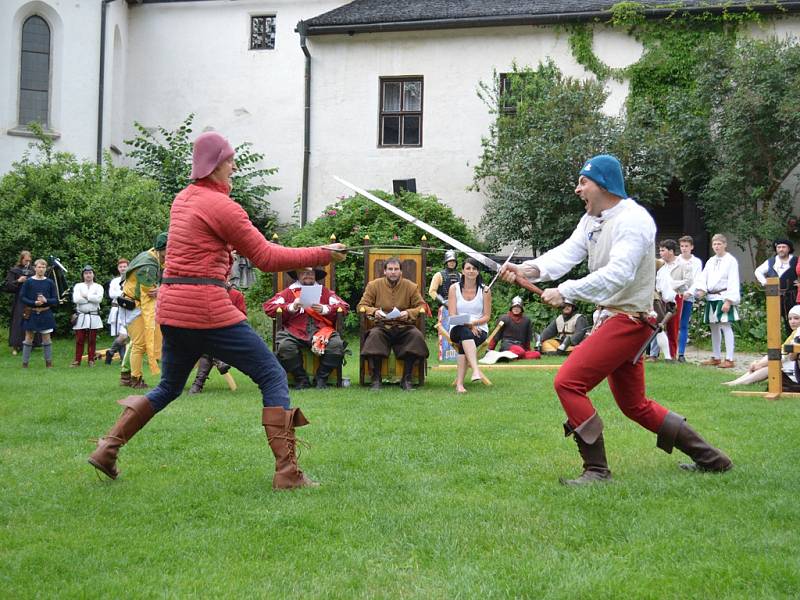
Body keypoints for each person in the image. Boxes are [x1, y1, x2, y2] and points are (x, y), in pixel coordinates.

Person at [88, 131, 346, 490]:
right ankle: (287, 473)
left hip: (173, 310)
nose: (234, 166)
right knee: (272, 375)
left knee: (167, 387)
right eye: (229, 160)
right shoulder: (222, 206)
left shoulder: (184, 199)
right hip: (205, 309)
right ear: (214, 165)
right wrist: (321, 253)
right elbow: (267, 257)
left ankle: (108, 447)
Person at [500, 154, 732, 485]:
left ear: (604, 184)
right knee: (634, 405)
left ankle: (596, 470)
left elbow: (618, 275)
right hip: (616, 318)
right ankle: (713, 460)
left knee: (567, 382)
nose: (577, 189)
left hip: (630, 320)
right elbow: (565, 254)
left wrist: (566, 291)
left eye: (583, 182)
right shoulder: (592, 220)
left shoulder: (633, 221)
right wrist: (526, 270)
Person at [263, 266, 349, 390]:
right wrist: (290, 307)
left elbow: (344, 307)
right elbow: (268, 307)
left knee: (336, 345)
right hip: (294, 332)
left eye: (310, 272)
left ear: (315, 275)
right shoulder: (288, 292)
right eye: (303, 272)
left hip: (321, 331)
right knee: (285, 346)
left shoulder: (325, 292)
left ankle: (321, 378)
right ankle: (301, 379)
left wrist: (326, 309)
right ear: (297, 275)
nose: (307, 275)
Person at [358, 257, 429, 391]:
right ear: (384, 271)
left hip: (404, 326)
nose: (393, 272)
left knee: (416, 336)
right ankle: (376, 379)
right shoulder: (374, 285)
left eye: (396, 269)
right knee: (374, 337)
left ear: (401, 272)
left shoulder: (411, 286)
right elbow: (361, 305)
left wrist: (408, 313)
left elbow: (422, 306)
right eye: (390, 269)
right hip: (382, 326)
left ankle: (406, 379)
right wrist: (374, 312)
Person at [120, 234, 167, 388]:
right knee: (140, 344)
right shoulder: (149, 265)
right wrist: (162, 290)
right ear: (161, 249)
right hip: (135, 306)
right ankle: (135, 379)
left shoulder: (150, 255)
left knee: (135, 343)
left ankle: (126, 376)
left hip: (136, 304)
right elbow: (150, 292)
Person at [722, 305, 800, 388]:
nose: (792, 321)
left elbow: (785, 356)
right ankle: (737, 382)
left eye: (796, 318)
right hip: (790, 363)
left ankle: (739, 383)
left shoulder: (798, 333)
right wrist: (760, 363)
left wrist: (761, 364)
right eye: (790, 319)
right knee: (769, 363)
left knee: (772, 366)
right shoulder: (795, 332)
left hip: (795, 369)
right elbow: (782, 352)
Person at [188, 281, 245, 394]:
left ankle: (197, 385)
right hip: (207, 335)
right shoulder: (207, 292)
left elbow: (242, 317)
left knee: (208, 347)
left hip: (229, 335)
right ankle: (219, 361)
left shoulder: (236, 295)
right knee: (208, 342)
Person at [695, 234, 741, 369]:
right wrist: (701, 290)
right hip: (712, 297)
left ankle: (729, 358)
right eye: (714, 244)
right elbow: (704, 276)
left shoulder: (731, 260)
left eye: (719, 244)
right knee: (713, 327)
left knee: (726, 326)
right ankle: (716, 356)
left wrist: (728, 301)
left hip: (724, 296)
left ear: (725, 244)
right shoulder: (711, 261)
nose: (716, 246)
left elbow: (733, 280)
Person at [448, 257, 492, 393]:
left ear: (478, 272)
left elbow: (486, 316)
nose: (471, 271)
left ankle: (460, 385)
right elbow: (453, 315)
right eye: (468, 268)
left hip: (479, 329)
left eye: (474, 268)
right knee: (464, 333)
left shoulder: (485, 290)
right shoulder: (453, 288)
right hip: (457, 327)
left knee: (465, 339)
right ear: (462, 271)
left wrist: (473, 323)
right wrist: (468, 324)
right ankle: (476, 370)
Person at [653, 239, 693, 360]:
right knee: (657, 323)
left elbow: (688, 282)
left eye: (663, 250)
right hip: (660, 296)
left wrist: (672, 285)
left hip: (676, 296)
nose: (660, 253)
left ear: (671, 251)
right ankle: (653, 354)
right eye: (660, 250)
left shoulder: (682, 265)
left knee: (673, 325)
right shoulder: (659, 264)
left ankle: (672, 355)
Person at [19, 258, 57, 369]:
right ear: (35, 268)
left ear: (46, 269)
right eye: (39, 267)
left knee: (47, 339)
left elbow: (55, 300)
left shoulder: (49, 282)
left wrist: (46, 301)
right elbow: (22, 297)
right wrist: (34, 302)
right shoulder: (29, 282)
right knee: (29, 338)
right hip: (31, 312)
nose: (41, 269)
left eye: (43, 267)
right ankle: (25, 364)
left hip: (45, 313)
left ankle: (48, 364)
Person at [754, 239, 797, 335]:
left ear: (789, 248)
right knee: (773, 321)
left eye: (783, 247)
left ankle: (793, 345)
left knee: (793, 321)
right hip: (774, 296)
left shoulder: (795, 260)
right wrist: (765, 283)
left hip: (791, 296)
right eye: (779, 247)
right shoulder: (771, 261)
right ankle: (775, 347)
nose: (781, 249)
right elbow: (758, 271)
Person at [676, 236, 703, 363]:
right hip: (676, 295)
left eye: (686, 246)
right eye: (682, 246)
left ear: (691, 247)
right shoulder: (676, 260)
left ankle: (681, 353)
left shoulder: (696, 262)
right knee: (672, 324)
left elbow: (697, 279)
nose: (684, 249)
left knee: (684, 324)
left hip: (688, 295)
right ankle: (669, 351)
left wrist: (689, 292)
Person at [71, 265, 104, 367]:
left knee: (92, 340)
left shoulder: (98, 287)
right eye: (86, 273)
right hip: (81, 316)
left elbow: (99, 299)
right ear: (83, 275)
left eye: (90, 273)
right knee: (80, 339)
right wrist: (90, 298)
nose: (88, 275)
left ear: (93, 274)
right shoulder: (78, 286)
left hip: (93, 316)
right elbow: (76, 299)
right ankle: (77, 360)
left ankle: (91, 360)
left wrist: (85, 296)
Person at [5, 250, 35, 354]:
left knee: (31, 320)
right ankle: (15, 345)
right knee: (18, 321)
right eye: (26, 260)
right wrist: (18, 281)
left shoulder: (33, 270)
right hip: (20, 300)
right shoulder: (15, 270)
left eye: (29, 260)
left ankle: (30, 344)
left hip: (31, 299)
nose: (28, 262)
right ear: (21, 259)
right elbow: (7, 286)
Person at [105, 258, 130, 364]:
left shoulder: (132, 280)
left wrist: (122, 293)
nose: (123, 268)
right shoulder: (115, 281)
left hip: (128, 310)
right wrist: (123, 293)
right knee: (120, 336)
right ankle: (123, 359)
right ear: (118, 268)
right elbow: (111, 294)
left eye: (125, 266)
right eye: (121, 267)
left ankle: (110, 352)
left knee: (124, 336)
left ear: (128, 267)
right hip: (116, 309)